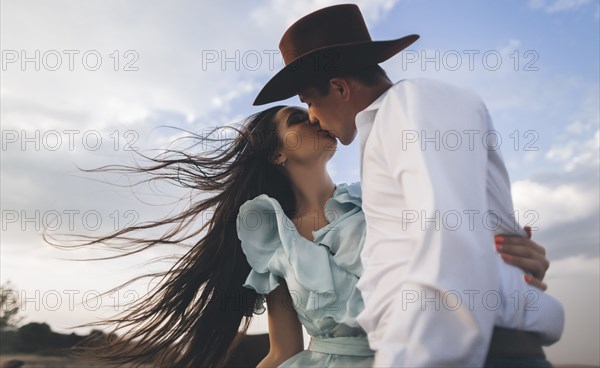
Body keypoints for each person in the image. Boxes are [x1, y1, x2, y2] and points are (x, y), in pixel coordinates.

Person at [50, 105, 554, 368]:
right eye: (297, 118)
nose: (314, 116)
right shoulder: (271, 240)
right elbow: (285, 350)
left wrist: (517, 263)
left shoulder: (382, 200)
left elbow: (458, 250)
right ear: (276, 154)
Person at [251, 4, 564, 367]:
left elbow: (447, 240)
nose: (314, 118)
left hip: (467, 351)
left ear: (338, 87)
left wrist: (504, 269)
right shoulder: (386, 129)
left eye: (309, 104)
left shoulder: (411, 105)